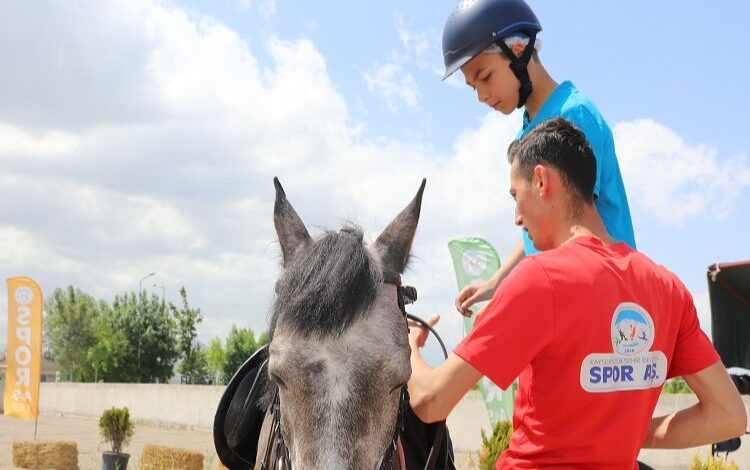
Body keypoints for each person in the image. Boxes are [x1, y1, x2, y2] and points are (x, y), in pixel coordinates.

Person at [407, 117, 747, 469]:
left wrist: (407, 349)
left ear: (541, 181)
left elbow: (430, 401)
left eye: (514, 195)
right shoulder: (668, 288)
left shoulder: (539, 279)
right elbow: (729, 416)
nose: (516, 218)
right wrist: (623, 432)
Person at [441, 0, 636, 316]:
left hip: (602, 302)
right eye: (472, 86)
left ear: (518, 50)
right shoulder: (526, 134)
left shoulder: (573, 115)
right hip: (568, 297)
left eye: (485, 76)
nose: (480, 95)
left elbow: (574, 228)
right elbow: (543, 227)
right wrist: (497, 281)